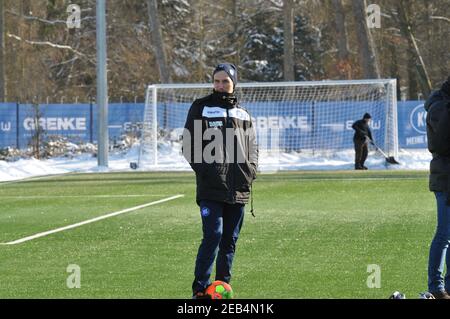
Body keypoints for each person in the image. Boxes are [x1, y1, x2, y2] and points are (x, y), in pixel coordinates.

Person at [182, 63, 258, 299]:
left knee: (229, 241)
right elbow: (188, 144)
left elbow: (253, 147)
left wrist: (251, 171)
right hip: (211, 188)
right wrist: (206, 170)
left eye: (225, 81)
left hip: (239, 189)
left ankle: (221, 288)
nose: (220, 85)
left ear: (234, 83)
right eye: (216, 81)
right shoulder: (201, 108)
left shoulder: (243, 114)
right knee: (213, 235)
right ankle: (200, 290)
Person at [425, 75, 450, 299]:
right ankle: (436, 286)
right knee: (443, 234)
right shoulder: (439, 107)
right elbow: (441, 143)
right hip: (444, 177)